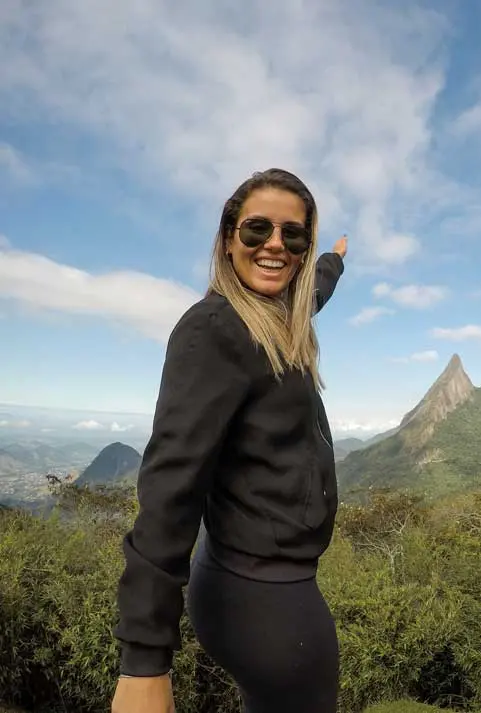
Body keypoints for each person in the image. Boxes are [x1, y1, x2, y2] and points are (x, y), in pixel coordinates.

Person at [110, 168, 347, 713]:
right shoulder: (215, 329)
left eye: (294, 236)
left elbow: (311, 290)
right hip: (264, 597)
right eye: (256, 229)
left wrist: (334, 261)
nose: (275, 246)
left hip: (252, 585)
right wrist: (144, 662)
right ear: (226, 238)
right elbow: (171, 484)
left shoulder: (278, 315)